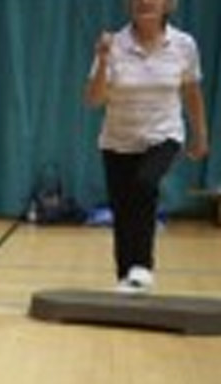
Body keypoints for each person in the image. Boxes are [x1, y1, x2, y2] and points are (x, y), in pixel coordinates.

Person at [85, 0, 210, 293]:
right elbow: (94, 99)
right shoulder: (114, 44)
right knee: (123, 209)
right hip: (118, 140)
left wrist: (200, 135)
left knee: (144, 184)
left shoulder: (184, 45)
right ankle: (126, 277)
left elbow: (192, 92)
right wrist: (102, 60)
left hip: (164, 135)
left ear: (167, 5)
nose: (145, 2)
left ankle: (142, 266)